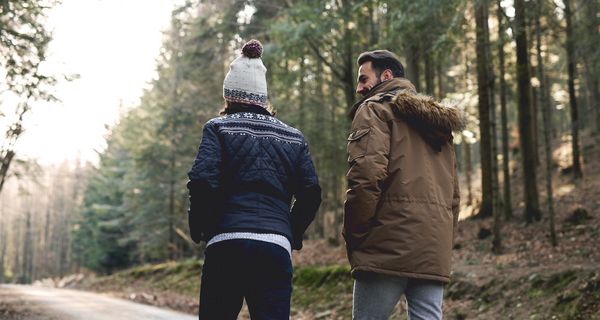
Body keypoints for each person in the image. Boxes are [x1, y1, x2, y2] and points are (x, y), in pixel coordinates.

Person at [187, 39, 321, 320]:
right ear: (263, 98)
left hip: (227, 242)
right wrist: (290, 232)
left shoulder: (218, 127)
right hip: (274, 247)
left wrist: (202, 226)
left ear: (229, 96)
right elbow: (311, 192)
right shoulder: (293, 137)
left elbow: (202, 181)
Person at [343, 50, 462, 320]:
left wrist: (355, 234)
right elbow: (454, 194)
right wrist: (442, 240)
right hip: (432, 247)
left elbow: (365, 177)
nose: (359, 88)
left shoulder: (374, 109)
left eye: (364, 79)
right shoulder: (439, 124)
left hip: (385, 245)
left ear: (386, 76)